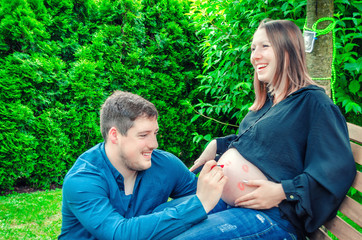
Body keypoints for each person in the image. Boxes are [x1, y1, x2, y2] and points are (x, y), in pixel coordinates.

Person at [185, 19, 356, 239]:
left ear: (288, 50)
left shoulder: (313, 103)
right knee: (162, 221)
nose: (254, 56)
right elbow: (262, 145)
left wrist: (283, 191)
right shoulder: (269, 103)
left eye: (265, 46)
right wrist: (217, 145)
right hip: (230, 203)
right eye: (253, 48)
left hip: (274, 218)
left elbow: (336, 167)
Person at [58, 91, 227, 239]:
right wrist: (200, 205)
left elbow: (213, 198)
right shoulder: (82, 180)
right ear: (115, 136)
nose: (154, 144)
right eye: (143, 135)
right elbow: (118, 234)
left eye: (155, 133)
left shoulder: (164, 164)